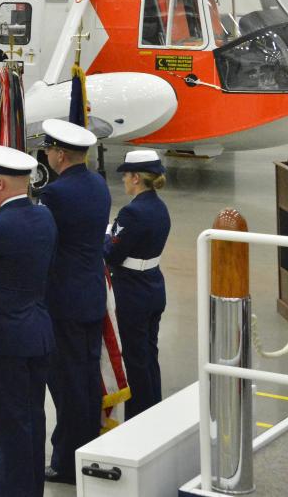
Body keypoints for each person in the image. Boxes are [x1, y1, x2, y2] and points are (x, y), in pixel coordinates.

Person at [0, 145, 56, 497]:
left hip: (4, 340)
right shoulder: (44, 217)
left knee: (10, 425)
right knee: (33, 419)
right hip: (38, 332)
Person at [39, 118, 110, 485]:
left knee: (66, 385)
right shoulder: (99, 184)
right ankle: (86, 449)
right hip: (91, 294)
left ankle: (66, 462)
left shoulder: (55, 194)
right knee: (85, 379)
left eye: (49, 149)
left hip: (63, 299)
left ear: (60, 154)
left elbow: (44, 243)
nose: (48, 154)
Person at [105, 150, 170, 419]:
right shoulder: (159, 206)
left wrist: (105, 238)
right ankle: (154, 409)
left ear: (135, 178)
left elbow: (112, 253)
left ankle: (140, 417)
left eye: (126, 176)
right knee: (149, 355)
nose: (123, 181)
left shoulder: (132, 212)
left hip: (132, 292)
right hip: (153, 285)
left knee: (134, 359)